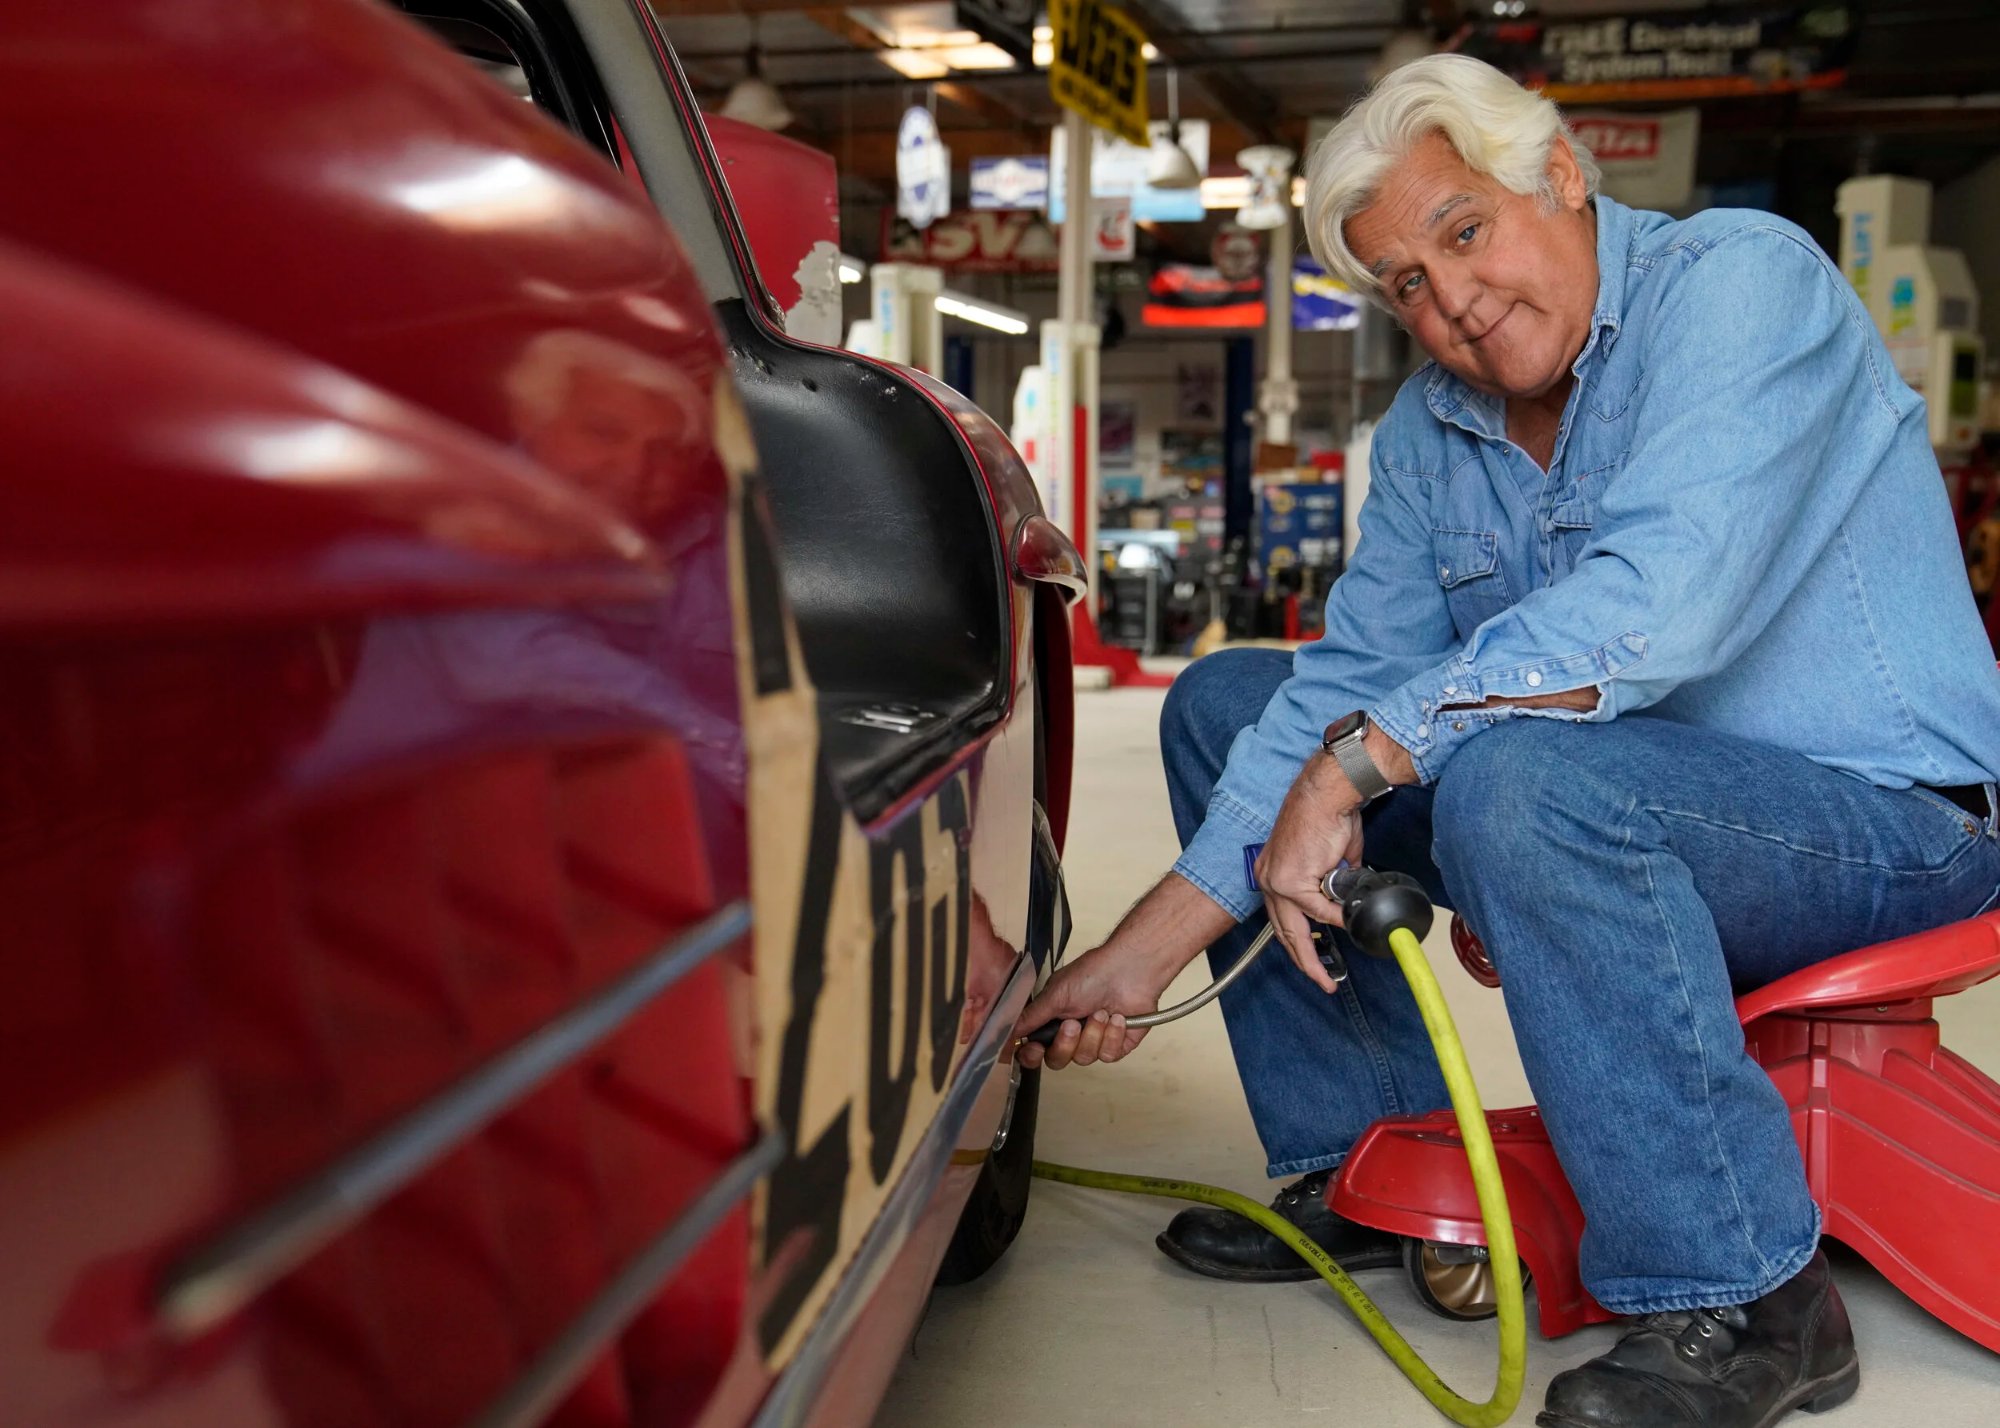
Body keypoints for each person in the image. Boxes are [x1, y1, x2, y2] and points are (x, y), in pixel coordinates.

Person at [1015, 53, 2000, 1428]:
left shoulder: (1737, 285)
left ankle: (1745, 1298)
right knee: (1235, 701)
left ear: (1563, 176)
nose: (1453, 300)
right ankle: (1371, 1168)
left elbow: (1660, 606)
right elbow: (1340, 686)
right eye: (1404, 282)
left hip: (1887, 824)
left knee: (1522, 781)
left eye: (1463, 230)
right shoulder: (1433, 433)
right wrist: (1138, 952)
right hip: (1625, 805)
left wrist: (1361, 765)